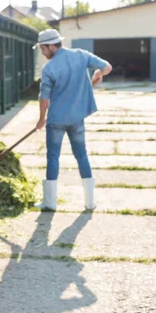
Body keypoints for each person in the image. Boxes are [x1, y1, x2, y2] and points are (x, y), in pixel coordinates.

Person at [33, 29, 112, 211]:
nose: (43, 52)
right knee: (81, 156)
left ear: (51, 45)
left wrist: (41, 119)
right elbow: (107, 67)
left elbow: (44, 98)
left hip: (56, 120)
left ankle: (50, 203)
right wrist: (98, 74)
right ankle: (90, 202)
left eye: (43, 48)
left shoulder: (49, 68)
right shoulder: (81, 55)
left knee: (53, 157)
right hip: (77, 118)